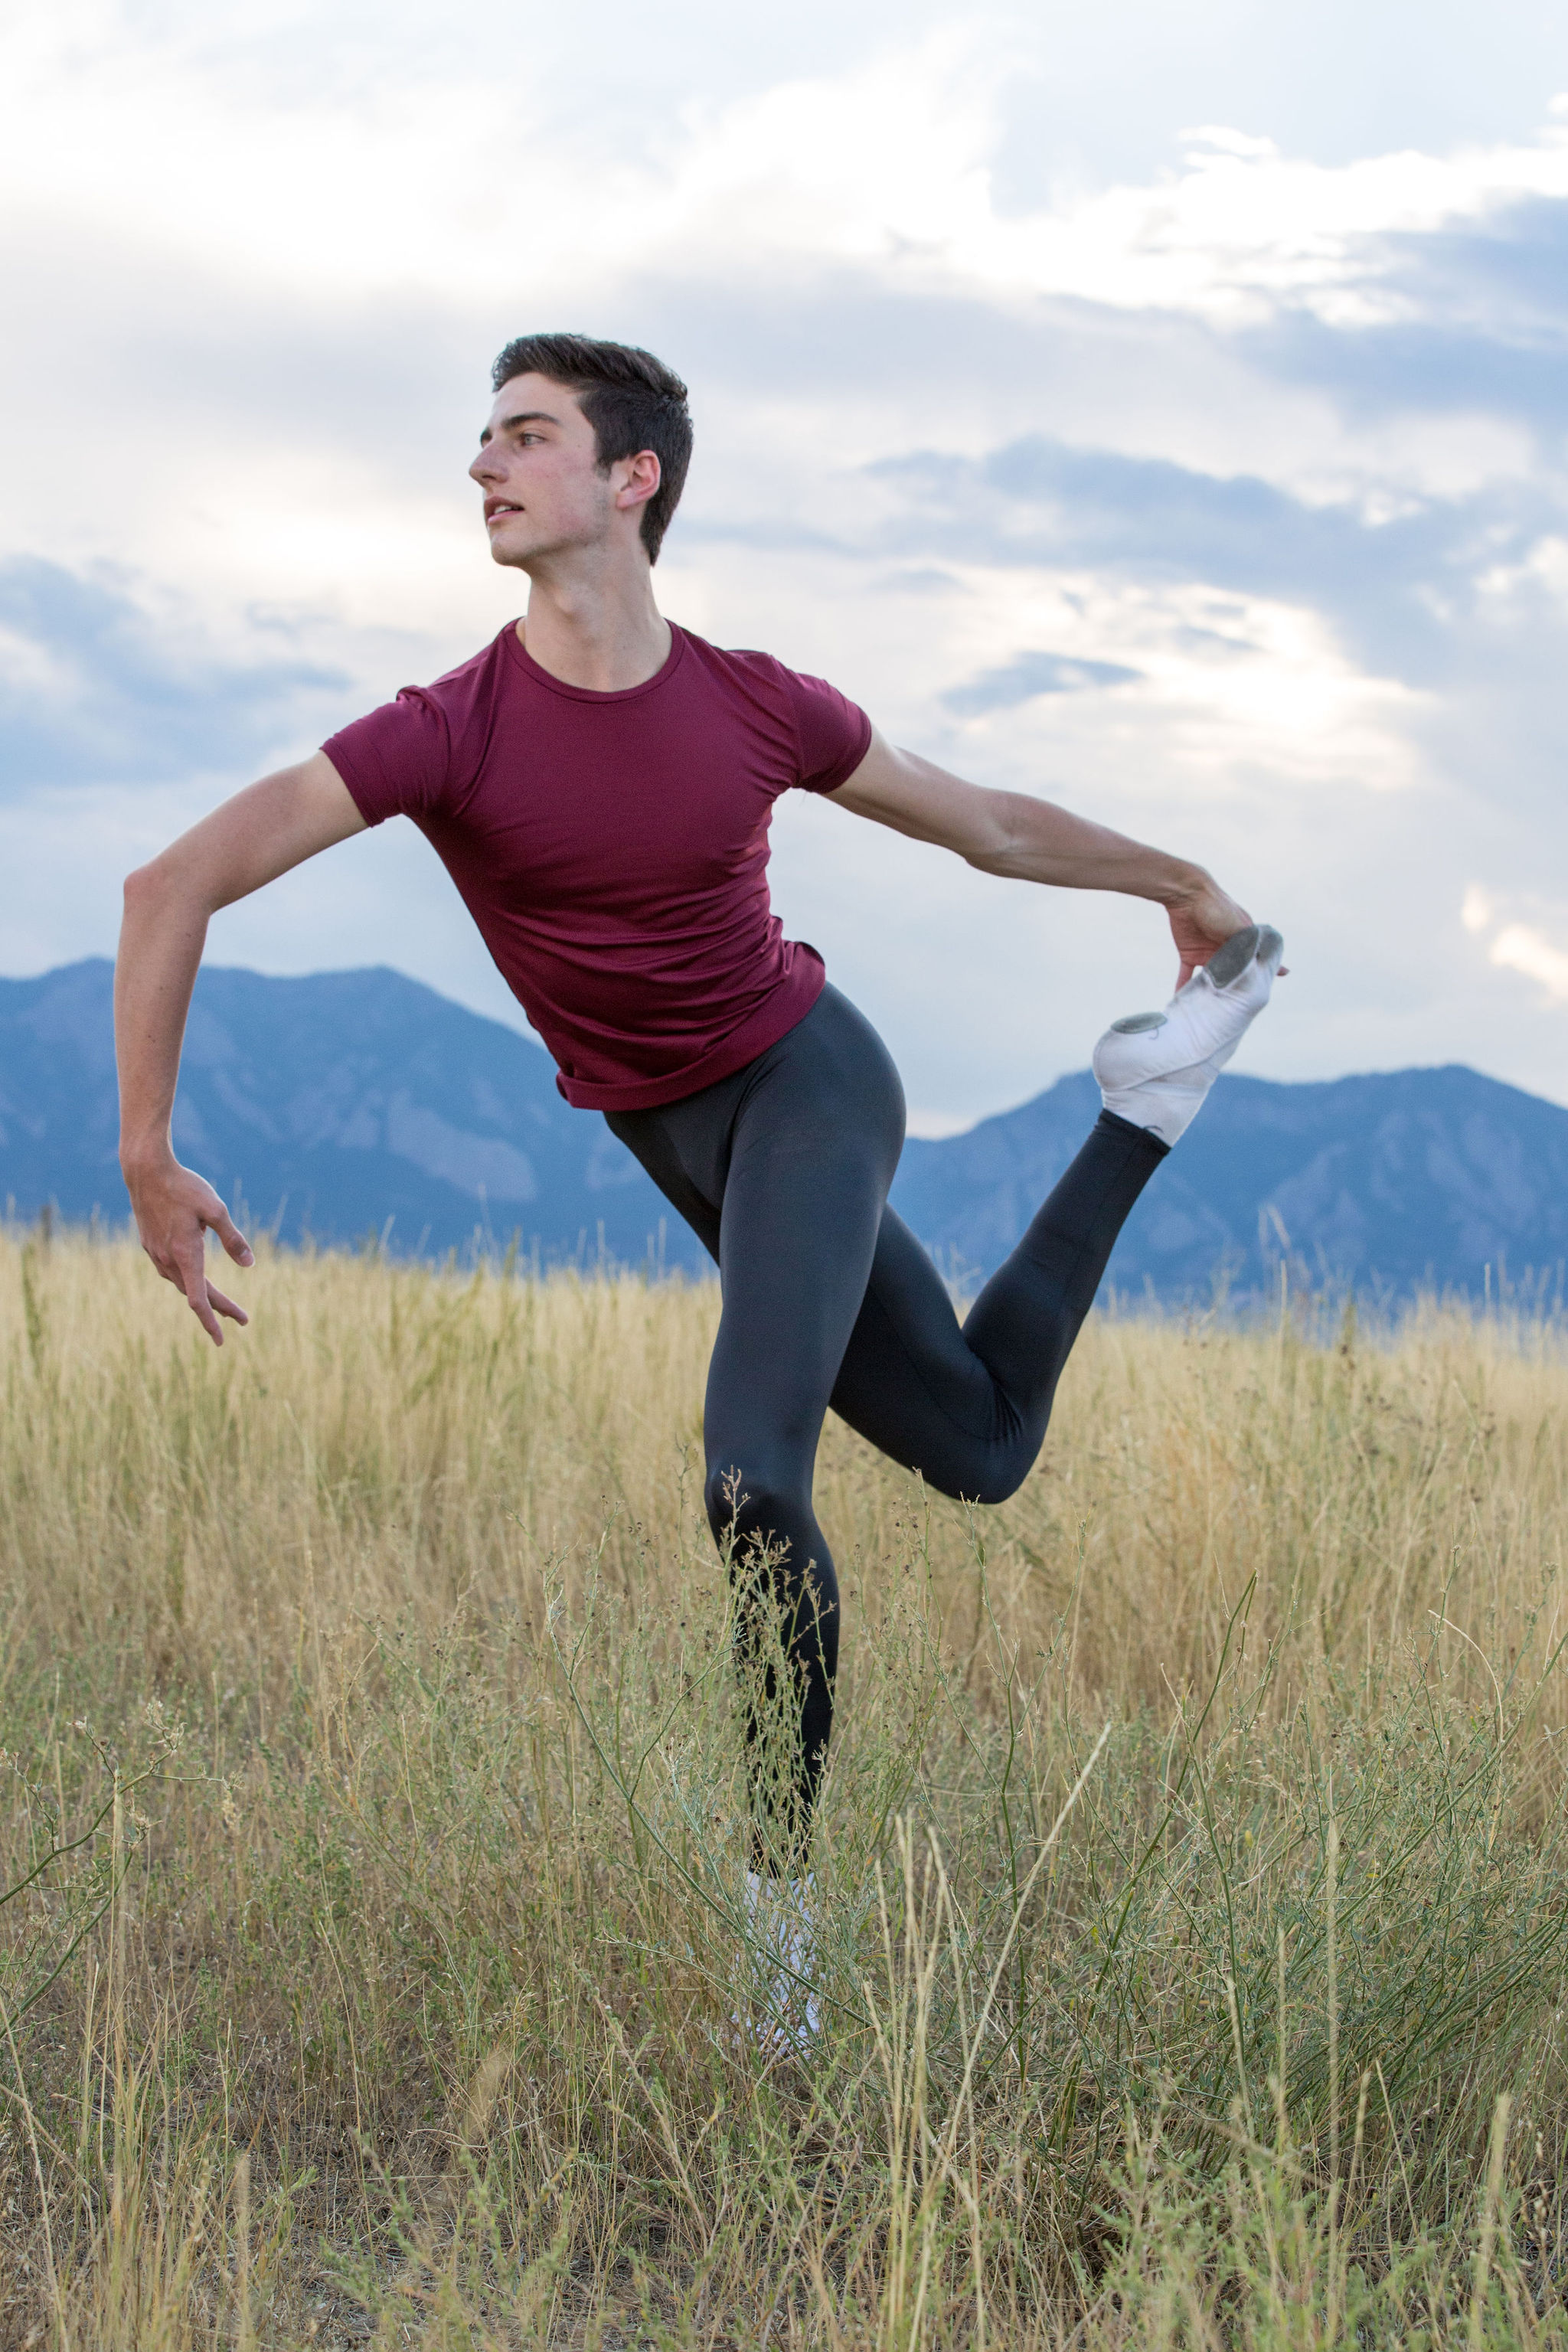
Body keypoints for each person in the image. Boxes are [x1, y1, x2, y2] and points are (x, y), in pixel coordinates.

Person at [116, 332, 1282, 1952]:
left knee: (750, 1480)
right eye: (483, 440)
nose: (483, 467)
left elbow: (988, 825)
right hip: (680, 1143)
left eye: (524, 438)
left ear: (629, 479)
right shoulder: (445, 730)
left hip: (807, 1084)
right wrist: (145, 1152)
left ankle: (776, 1921)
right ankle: (1149, 1103)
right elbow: (170, 884)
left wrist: (1182, 879)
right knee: (981, 1449)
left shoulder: (755, 705)